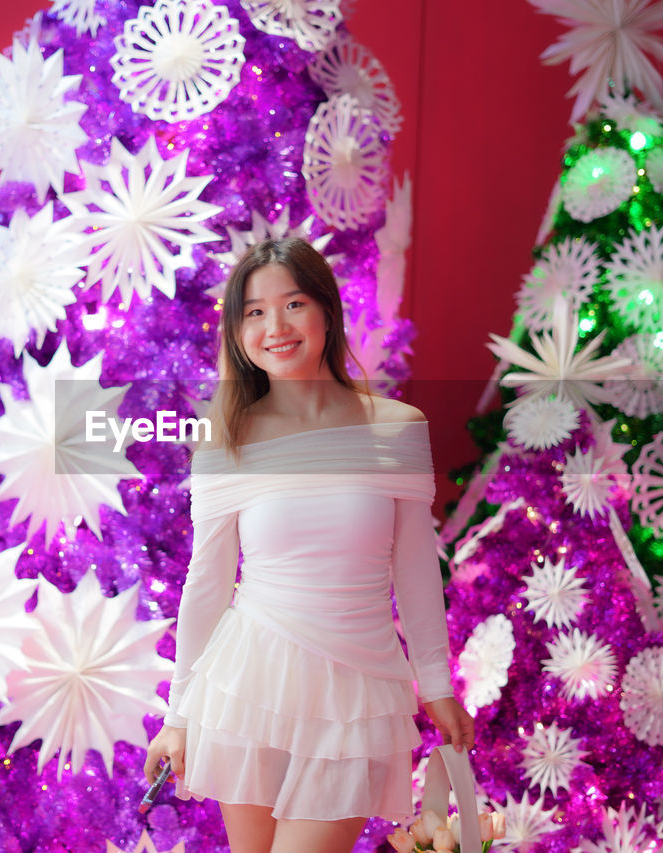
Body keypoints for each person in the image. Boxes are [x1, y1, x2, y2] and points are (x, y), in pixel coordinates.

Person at [144, 238, 473, 853]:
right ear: (239, 331)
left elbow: (415, 570)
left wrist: (436, 683)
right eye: (255, 312)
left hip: (357, 685)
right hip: (251, 681)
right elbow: (207, 585)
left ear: (326, 309)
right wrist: (179, 716)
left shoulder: (396, 428)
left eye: (293, 304)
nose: (276, 327)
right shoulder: (228, 442)